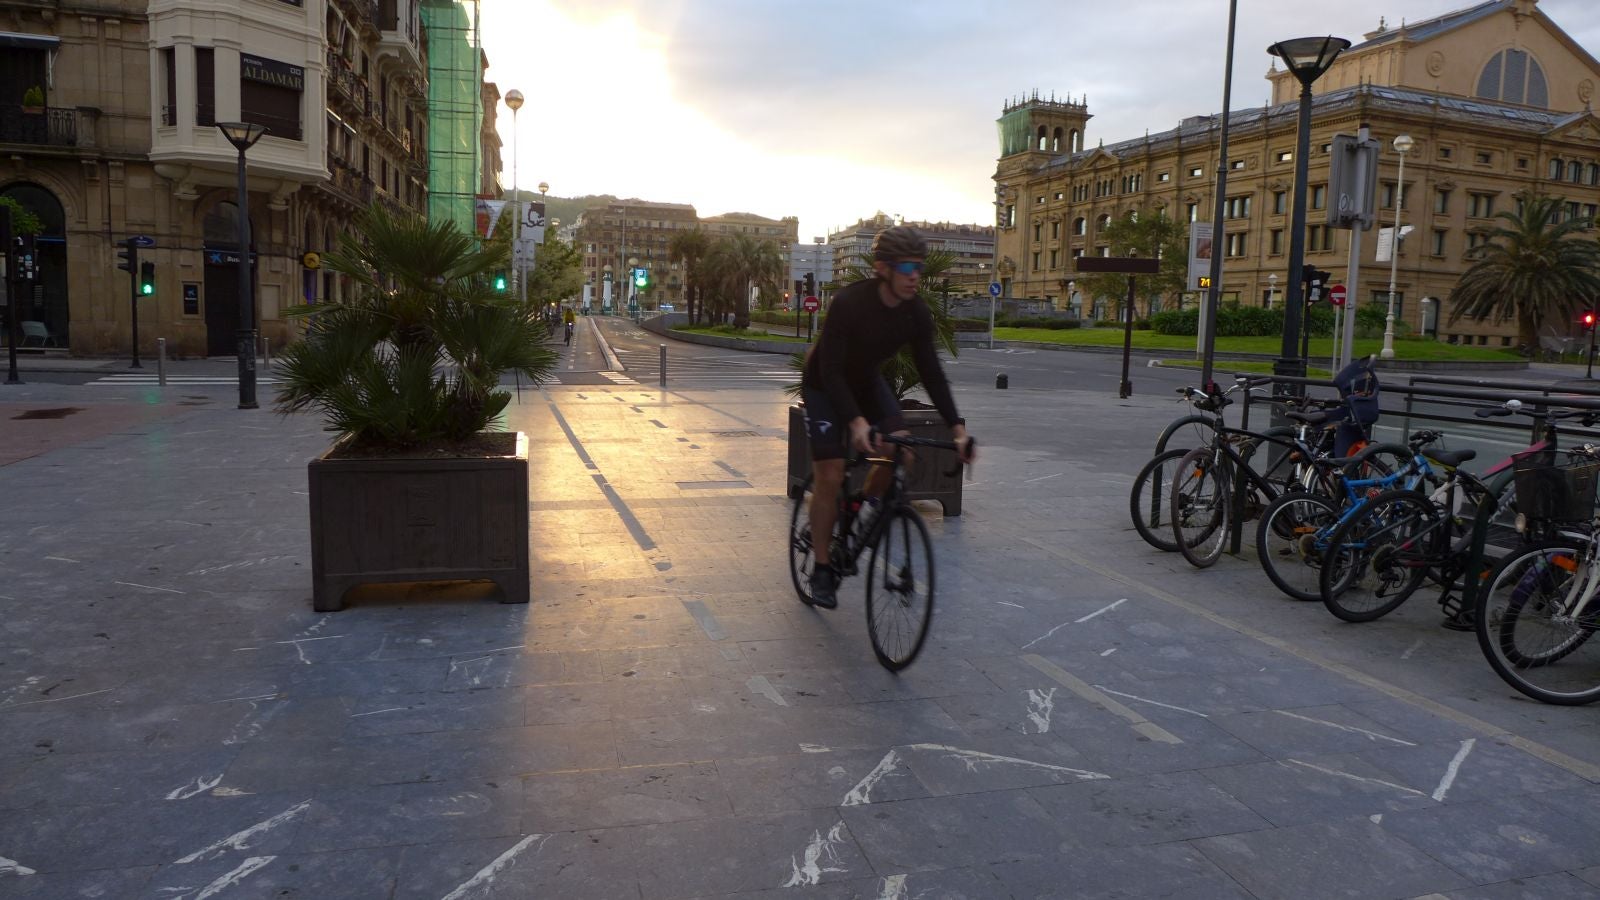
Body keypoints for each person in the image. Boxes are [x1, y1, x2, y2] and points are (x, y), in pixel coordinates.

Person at [799, 225, 974, 609]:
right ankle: (824, 570)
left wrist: (957, 428)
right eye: (907, 266)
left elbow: (931, 371)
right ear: (883, 268)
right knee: (829, 473)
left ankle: (862, 508)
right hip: (824, 385)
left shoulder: (916, 312)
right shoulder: (850, 303)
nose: (915, 275)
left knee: (901, 450)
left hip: (865, 382)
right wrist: (856, 422)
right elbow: (830, 371)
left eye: (920, 267)